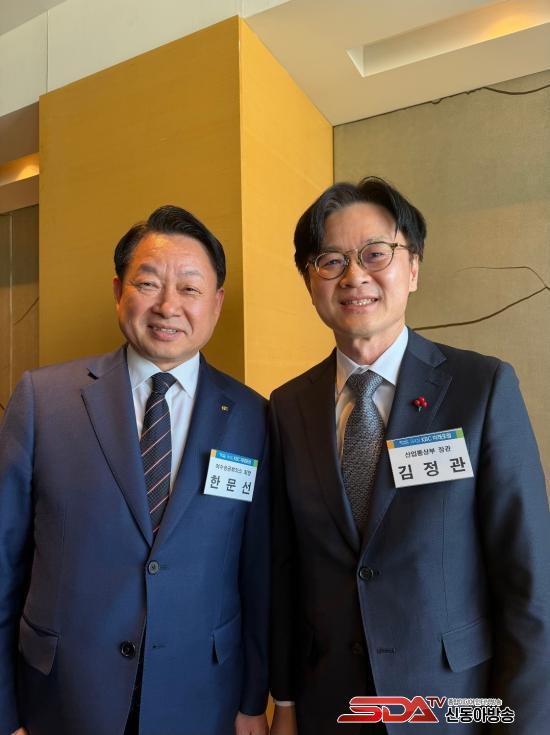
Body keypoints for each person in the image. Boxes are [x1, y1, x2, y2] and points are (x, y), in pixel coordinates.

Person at [269, 177, 550, 734]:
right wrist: (287, 700)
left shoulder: (481, 387)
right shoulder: (286, 406)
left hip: (452, 706)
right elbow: (285, 569)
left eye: (375, 254)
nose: (354, 276)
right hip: (331, 707)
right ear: (309, 281)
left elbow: (528, 579)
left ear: (413, 267)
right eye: (331, 260)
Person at [0, 205, 270, 735]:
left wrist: (252, 700)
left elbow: (257, 572)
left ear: (215, 303)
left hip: (201, 696)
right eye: (148, 284)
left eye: (190, 289)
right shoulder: (43, 399)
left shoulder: (252, 416)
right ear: (118, 290)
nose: (168, 306)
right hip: (62, 696)